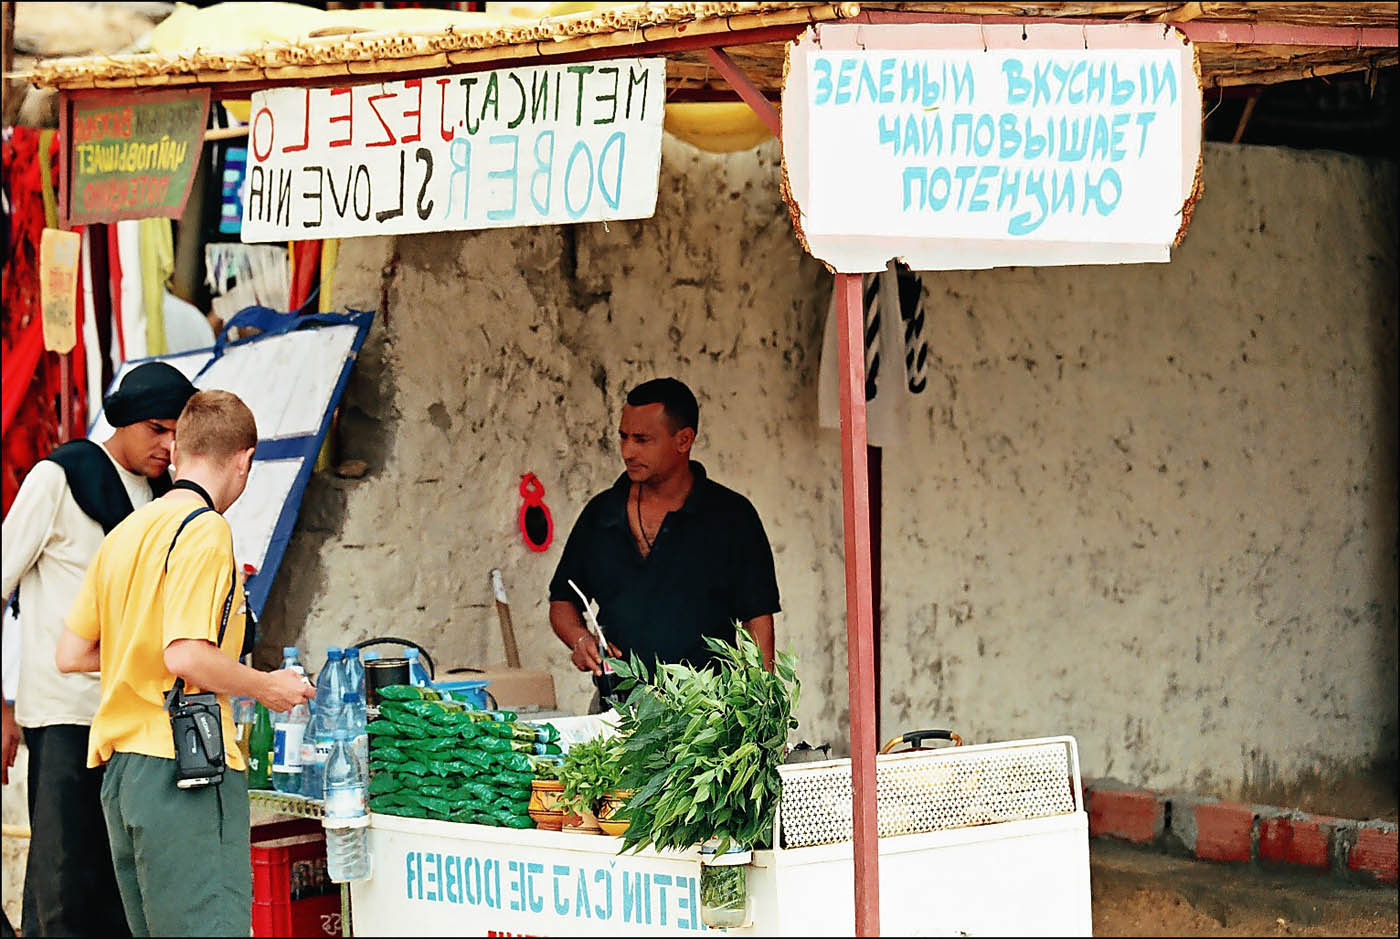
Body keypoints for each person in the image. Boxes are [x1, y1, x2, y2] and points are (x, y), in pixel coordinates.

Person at [54, 390, 315, 937]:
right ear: (244, 461)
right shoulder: (205, 530)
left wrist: (140, 651)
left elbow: (71, 653)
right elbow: (187, 654)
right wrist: (267, 686)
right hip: (186, 766)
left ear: (176, 454)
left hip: (124, 773)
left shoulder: (125, 534)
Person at [1, 361, 197, 938]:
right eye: (158, 429)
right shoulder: (58, 478)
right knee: (63, 886)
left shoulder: (164, 497)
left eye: (178, 434)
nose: (168, 445)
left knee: (119, 886)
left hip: (136, 717)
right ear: (125, 421)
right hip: (64, 713)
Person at [549, 378, 780, 711]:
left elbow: (758, 621)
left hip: (708, 720)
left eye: (642, 440)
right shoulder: (601, 514)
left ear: (683, 440)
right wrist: (581, 639)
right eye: (623, 437)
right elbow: (562, 600)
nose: (628, 452)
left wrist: (761, 708)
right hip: (617, 714)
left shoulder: (731, 517)